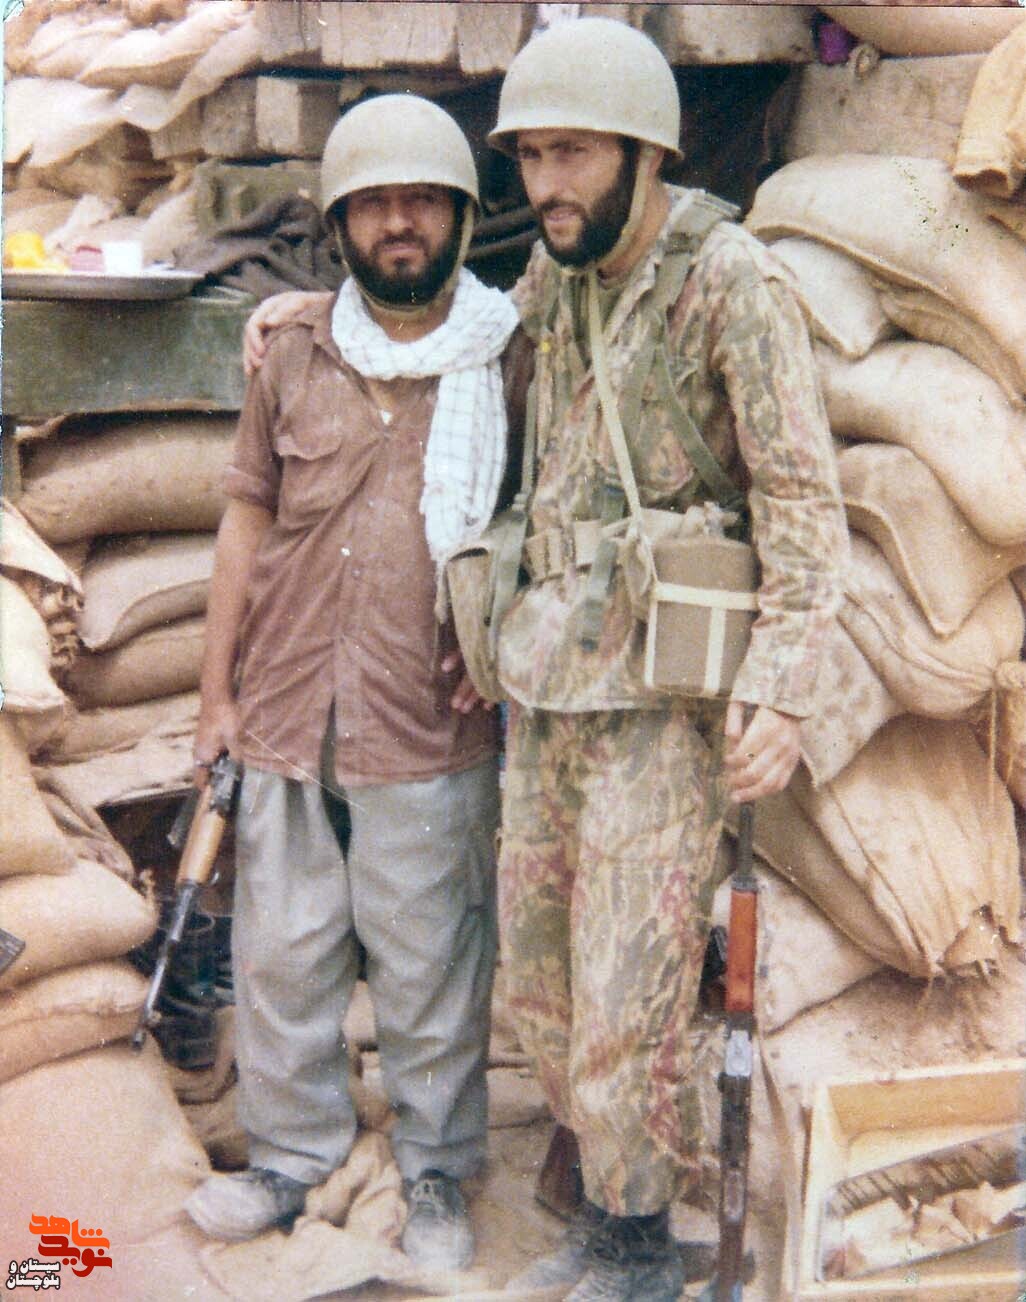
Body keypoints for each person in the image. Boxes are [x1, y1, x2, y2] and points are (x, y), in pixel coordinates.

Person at [241, 20, 847, 1298]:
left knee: (632, 988)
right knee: (542, 980)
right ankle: (605, 1218)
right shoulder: (555, 285)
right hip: (551, 688)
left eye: (572, 154)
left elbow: (803, 501)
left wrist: (783, 690)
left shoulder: (729, 285)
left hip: (661, 705)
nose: (547, 185)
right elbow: (438, 329)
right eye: (529, 158)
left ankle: (637, 1243)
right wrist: (315, 313)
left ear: (646, 151)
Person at [184, 93, 521, 1272]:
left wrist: (498, 636)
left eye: (422, 201)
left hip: (428, 716)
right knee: (282, 956)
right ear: (338, 225)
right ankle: (291, 1155)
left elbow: (537, 521)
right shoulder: (293, 350)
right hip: (286, 706)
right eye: (374, 205)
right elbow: (245, 522)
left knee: (431, 964)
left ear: (461, 217)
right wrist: (216, 696)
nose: (399, 224)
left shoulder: (510, 354)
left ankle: (435, 1170)